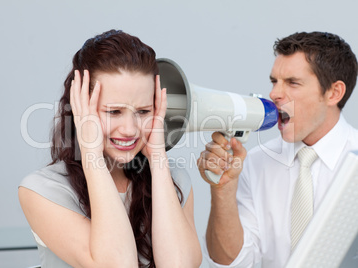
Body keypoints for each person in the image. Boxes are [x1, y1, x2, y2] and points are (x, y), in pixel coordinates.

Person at [19, 29, 202, 268]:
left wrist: (158, 159)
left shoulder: (173, 179)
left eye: (143, 111)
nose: (129, 129)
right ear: (79, 108)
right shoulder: (42, 190)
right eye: (113, 112)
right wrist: (91, 154)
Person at [197, 31, 358, 267]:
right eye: (274, 81)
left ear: (334, 93)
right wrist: (223, 190)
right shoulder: (255, 162)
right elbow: (233, 263)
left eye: (293, 83)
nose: (274, 94)